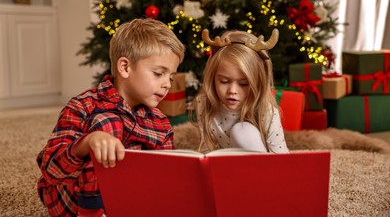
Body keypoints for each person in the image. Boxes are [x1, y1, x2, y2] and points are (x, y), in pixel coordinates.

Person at [36, 18, 185, 216]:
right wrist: (88, 142)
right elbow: (50, 168)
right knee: (107, 124)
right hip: (71, 198)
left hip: (125, 197)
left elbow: (164, 179)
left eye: (171, 77)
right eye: (159, 73)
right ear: (125, 67)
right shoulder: (83, 106)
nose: (167, 84)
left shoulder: (160, 123)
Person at [191, 28, 289, 153]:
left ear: (258, 83)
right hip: (226, 167)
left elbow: (282, 159)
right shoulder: (204, 103)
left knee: (243, 131)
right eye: (224, 81)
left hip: (262, 169)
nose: (232, 91)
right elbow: (206, 149)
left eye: (243, 84)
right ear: (213, 77)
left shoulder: (267, 112)